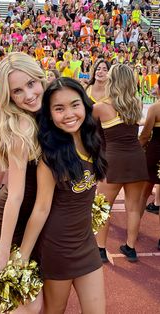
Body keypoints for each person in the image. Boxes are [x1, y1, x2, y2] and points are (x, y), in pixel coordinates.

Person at [19, 77, 107, 314]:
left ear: (85, 105)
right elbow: (41, 208)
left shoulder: (93, 141)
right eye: (59, 108)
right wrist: (22, 256)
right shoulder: (50, 157)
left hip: (86, 243)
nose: (69, 114)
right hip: (58, 247)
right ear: (49, 115)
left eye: (75, 105)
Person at [0, 52, 47, 313]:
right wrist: (2, 252)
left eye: (31, 84)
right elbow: (15, 195)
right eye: (17, 91)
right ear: (9, 97)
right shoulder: (21, 124)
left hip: (36, 211)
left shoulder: (48, 109)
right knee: (27, 299)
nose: (29, 95)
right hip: (17, 212)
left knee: (30, 293)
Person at [93, 64, 149, 263]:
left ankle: (100, 249)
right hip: (136, 159)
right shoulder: (136, 103)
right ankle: (131, 248)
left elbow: (90, 134)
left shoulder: (100, 106)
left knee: (102, 207)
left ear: (113, 80)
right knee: (133, 207)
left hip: (114, 161)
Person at [139, 76, 160, 250]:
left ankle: (134, 230)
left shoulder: (155, 107)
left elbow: (145, 134)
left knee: (143, 193)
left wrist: (138, 148)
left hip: (154, 153)